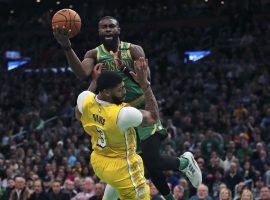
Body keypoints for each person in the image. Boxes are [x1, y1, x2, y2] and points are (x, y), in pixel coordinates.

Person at [54, 16, 202, 200]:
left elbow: (145, 80)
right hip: (117, 117)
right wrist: (67, 46)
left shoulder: (132, 49)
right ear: (99, 32)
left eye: (111, 26)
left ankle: (184, 162)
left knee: (151, 159)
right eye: (103, 27)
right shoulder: (93, 54)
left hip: (141, 108)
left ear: (118, 30)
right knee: (146, 167)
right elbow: (81, 74)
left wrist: (125, 69)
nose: (108, 29)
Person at [75, 58, 201, 199]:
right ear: (106, 93)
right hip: (122, 166)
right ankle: (184, 163)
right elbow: (153, 117)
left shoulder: (85, 98)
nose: (125, 92)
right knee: (146, 166)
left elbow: (78, 113)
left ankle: (183, 166)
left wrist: (94, 82)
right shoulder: (123, 114)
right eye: (120, 89)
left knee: (147, 162)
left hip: (99, 161)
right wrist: (145, 85)